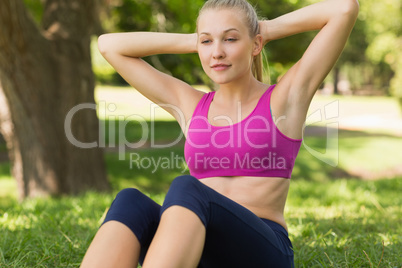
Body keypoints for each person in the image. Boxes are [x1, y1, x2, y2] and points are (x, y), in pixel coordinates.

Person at [81, 0, 359, 267]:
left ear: (255, 45)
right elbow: (109, 45)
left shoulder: (285, 98)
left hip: (261, 252)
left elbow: (344, 8)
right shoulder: (190, 105)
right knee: (130, 200)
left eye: (230, 39)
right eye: (207, 42)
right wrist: (194, 41)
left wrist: (266, 29)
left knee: (187, 187)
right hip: (198, 248)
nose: (217, 53)